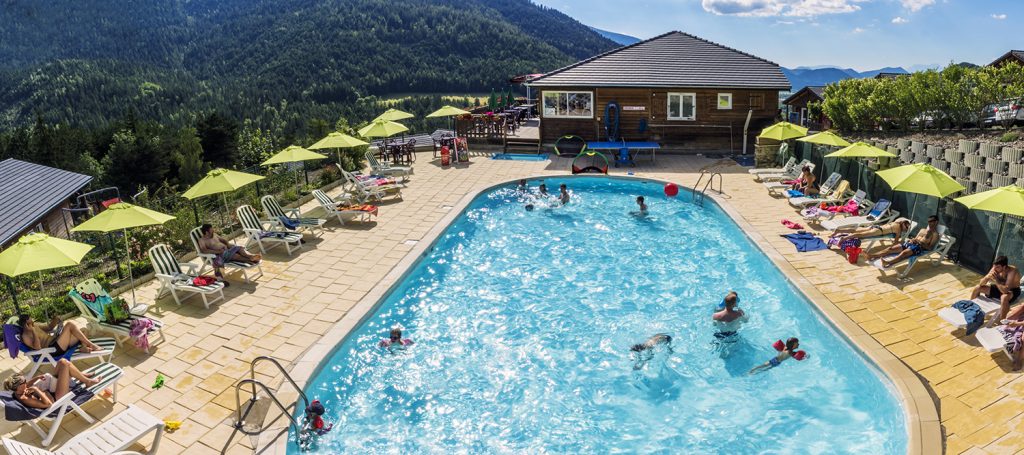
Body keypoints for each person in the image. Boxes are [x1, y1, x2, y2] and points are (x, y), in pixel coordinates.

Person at [3, 358, 101, 409]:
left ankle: (81, 376)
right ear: (18, 387)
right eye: (24, 382)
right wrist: (36, 389)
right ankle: (86, 381)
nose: (26, 382)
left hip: (52, 390)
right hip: (58, 398)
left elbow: (28, 384)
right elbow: (48, 404)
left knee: (62, 362)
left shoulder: (19, 391)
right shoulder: (24, 398)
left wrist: (37, 378)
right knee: (65, 364)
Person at [868, 215, 940, 269]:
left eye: (931, 221)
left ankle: (887, 263)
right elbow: (915, 238)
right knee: (890, 249)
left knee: (904, 253)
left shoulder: (935, 234)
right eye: (929, 221)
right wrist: (912, 240)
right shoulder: (922, 230)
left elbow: (930, 248)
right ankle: (872, 256)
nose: (929, 223)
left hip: (918, 247)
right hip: (910, 243)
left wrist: (919, 242)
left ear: (936, 222)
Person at [18, 315, 102, 357]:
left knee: (84, 330)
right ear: (25, 325)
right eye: (30, 323)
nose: (33, 324)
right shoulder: (25, 337)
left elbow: (49, 327)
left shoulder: (35, 325)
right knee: (69, 325)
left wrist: (55, 320)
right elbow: (38, 348)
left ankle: (84, 347)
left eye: (33, 322)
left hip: (58, 341)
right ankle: (91, 345)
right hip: (53, 349)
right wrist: (33, 332)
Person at [972, 255, 1022, 322]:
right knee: (977, 288)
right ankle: (971, 309)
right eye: (994, 266)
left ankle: (1003, 322)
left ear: (1004, 267)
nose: (995, 269)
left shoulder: (1012, 271)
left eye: (998, 267)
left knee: (1004, 297)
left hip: (1012, 291)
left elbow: (1005, 291)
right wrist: (986, 278)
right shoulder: (995, 268)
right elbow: (981, 283)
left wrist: (996, 281)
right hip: (999, 287)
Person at [831, 218, 911, 240]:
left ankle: (838, 230)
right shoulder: (898, 230)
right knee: (860, 235)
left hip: (876, 226)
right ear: (903, 224)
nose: (906, 229)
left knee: (855, 230)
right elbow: (895, 242)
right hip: (878, 231)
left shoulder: (896, 222)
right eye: (906, 227)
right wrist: (901, 242)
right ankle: (844, 238)